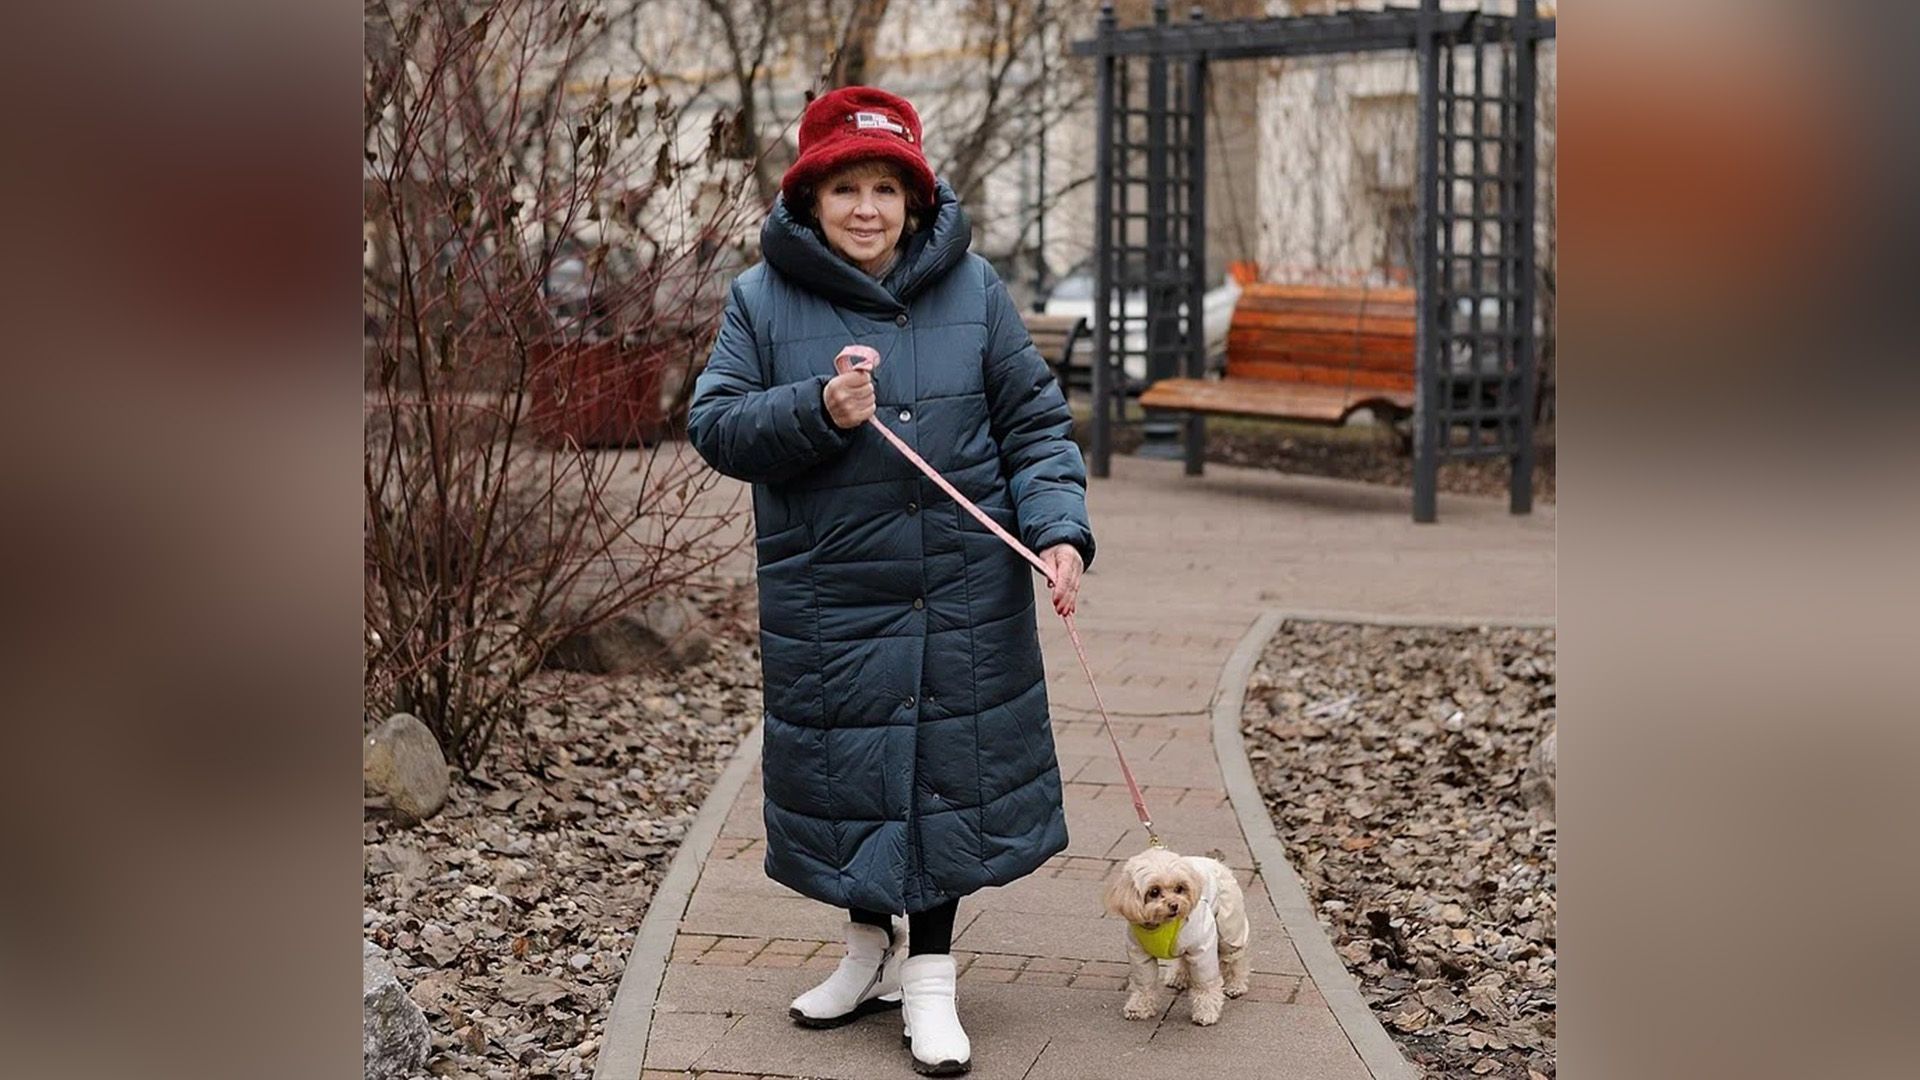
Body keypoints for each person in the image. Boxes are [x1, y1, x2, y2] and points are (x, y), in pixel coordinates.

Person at [687, 86, 1093, 1077]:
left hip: (961, 586)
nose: (865, 208)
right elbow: (716, 426)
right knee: (856, 775)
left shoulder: (975, 290)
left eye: (884, 188)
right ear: (810, 198)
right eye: (845, 189)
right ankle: (869, 950)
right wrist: (816, 408)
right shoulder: (759, 300)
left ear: (914, 199)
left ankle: (933, 979)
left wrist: (1058, 532)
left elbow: (1035, 425)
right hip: (830, 591)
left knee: (947, 773)